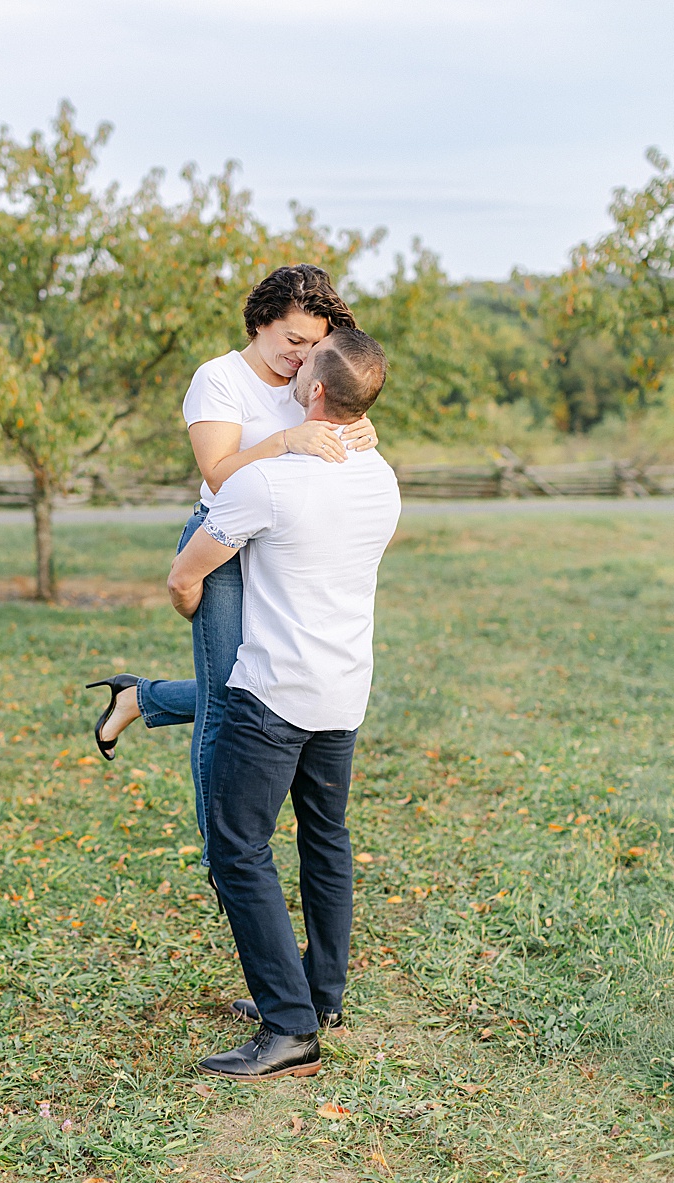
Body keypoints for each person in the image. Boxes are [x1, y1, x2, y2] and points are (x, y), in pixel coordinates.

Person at [164, 329, 401, 1081]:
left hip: (272, 693)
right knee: (324, 835)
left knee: (239, 850)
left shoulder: (269, 483)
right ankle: (322, 992)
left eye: (308, 365)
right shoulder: (383, 476)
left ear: (318, 393)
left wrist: (192, 595)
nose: (295, 369)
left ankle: (291, 1026)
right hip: (344, 691)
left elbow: (184, 575)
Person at [85, 265, 376, 858]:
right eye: (292, 341)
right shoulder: (218, 379)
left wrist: (361, 429)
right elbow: (218, 473)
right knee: (227, 700)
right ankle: (225, 857)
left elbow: (330, 427)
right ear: (261, 322)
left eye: (313, 346)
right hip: (222, 540)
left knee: (263, 684)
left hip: (285, 546)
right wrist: (283, 442)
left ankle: (141, 699)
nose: (301, 357)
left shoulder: (314, 379)